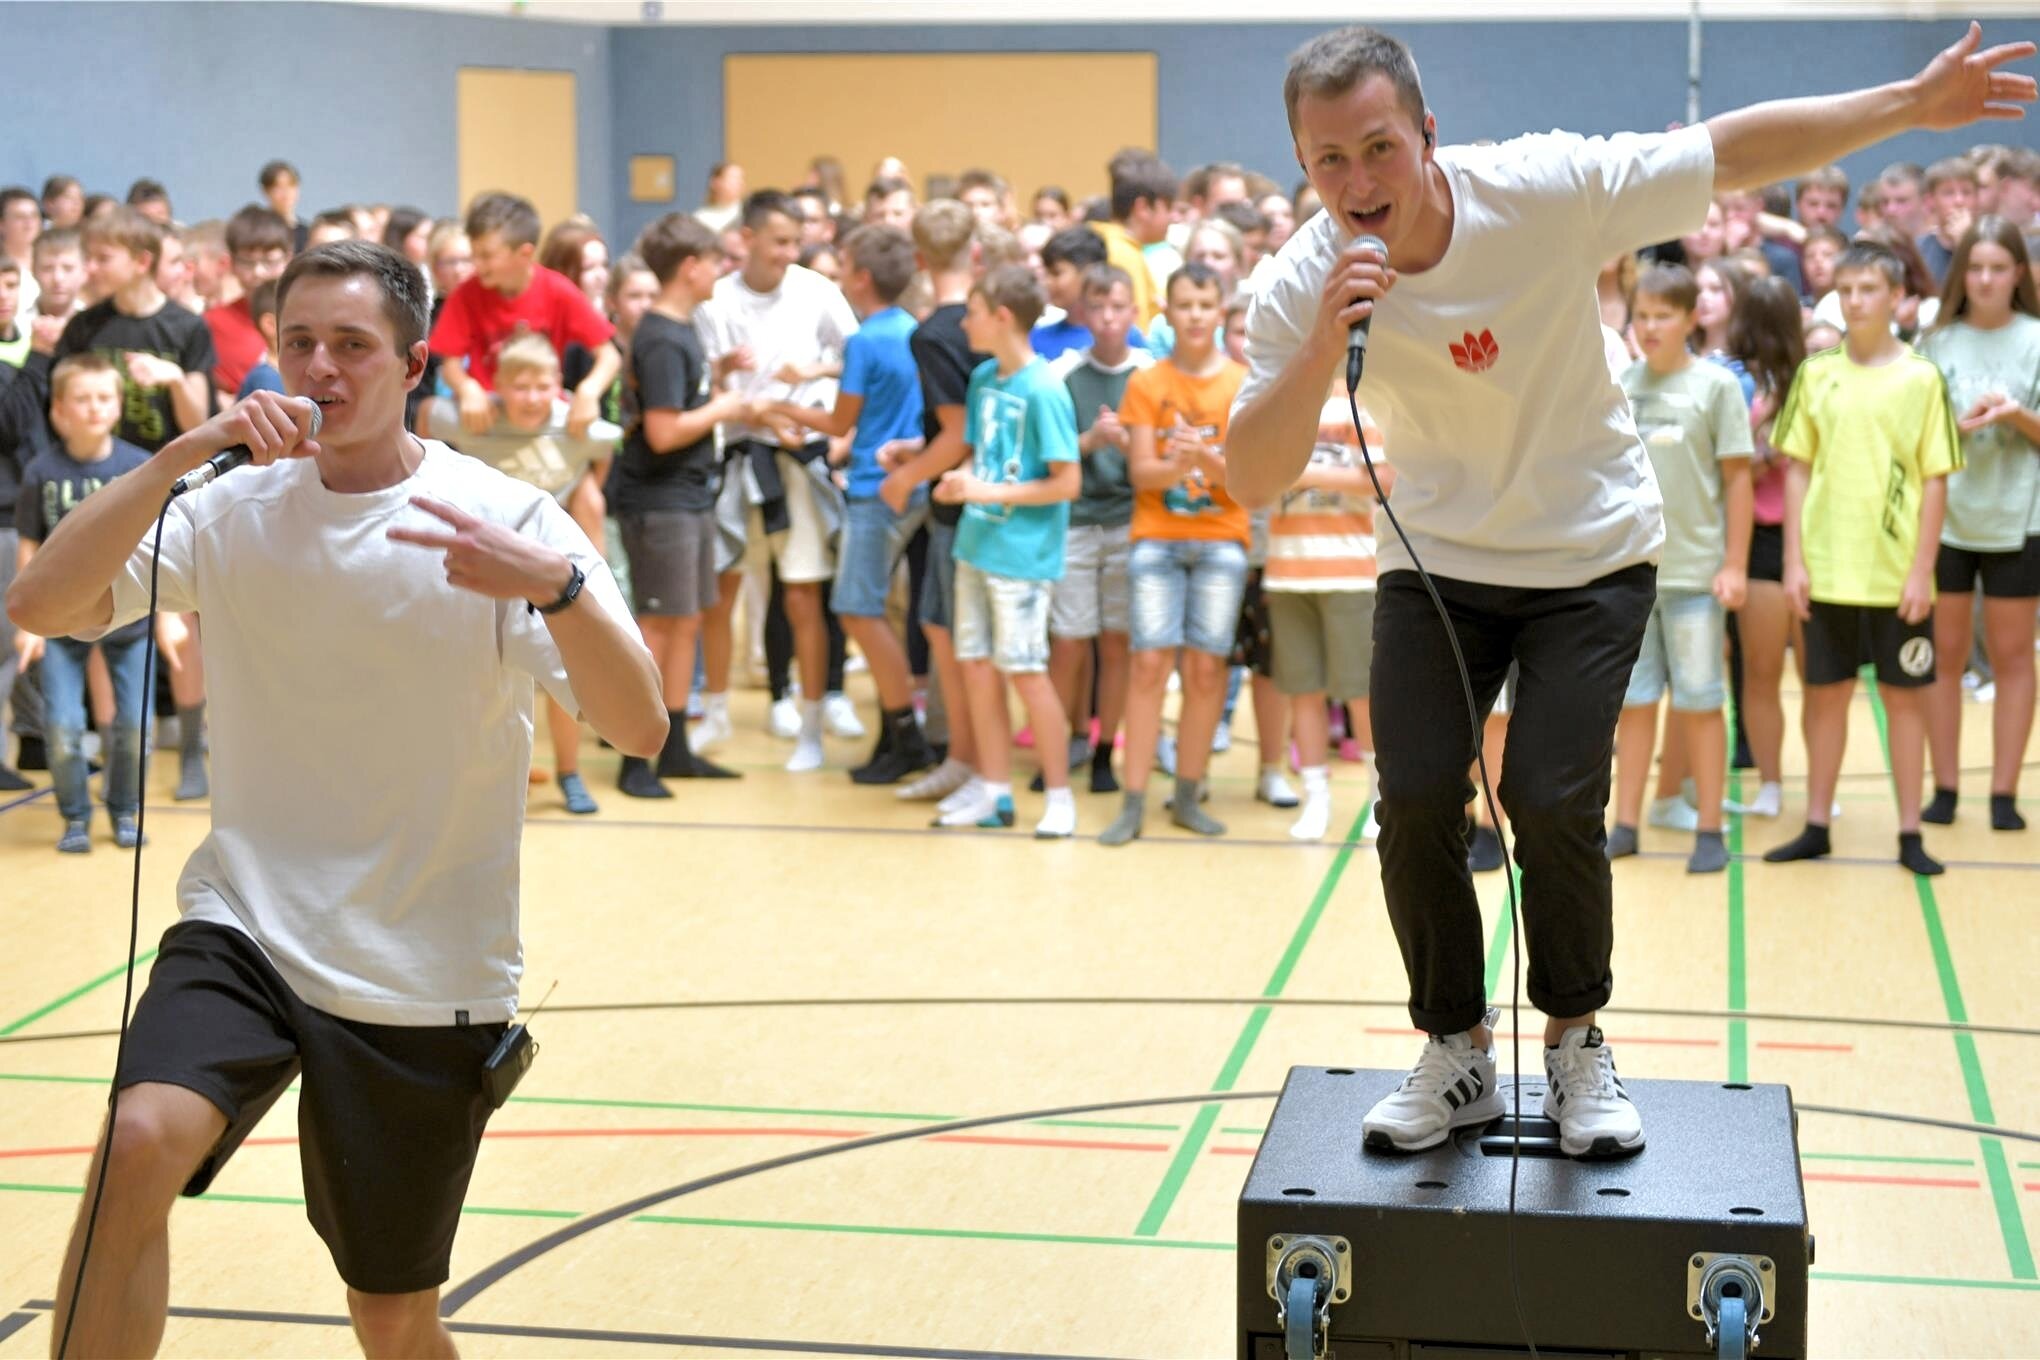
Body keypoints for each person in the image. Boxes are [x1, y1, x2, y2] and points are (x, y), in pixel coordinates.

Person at [1224, 22, 2032, 1158]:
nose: (1360, 184)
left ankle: (1574, 1041)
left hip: (1589, 552)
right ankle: (1455, 1048)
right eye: (1329, 162)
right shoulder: (1304, 279)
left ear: (1427, 136)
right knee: (1411, 797)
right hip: (1436, 560)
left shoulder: (1541, 190)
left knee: (1554, 800)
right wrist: (1317, 347)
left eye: (1380, 148)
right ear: (1303, 167)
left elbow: (1728, 153)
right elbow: (1250, 475)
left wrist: (1909, 100)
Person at [6, 239, 664, 1360]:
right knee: (138, 1138)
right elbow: (45, 599)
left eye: (352, 346)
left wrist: (555, 592)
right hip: (246, 922)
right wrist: (180, 456)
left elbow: (640, 724)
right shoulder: (231, 505)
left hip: (422, 966)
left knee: (392, 1318)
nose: (320, 369)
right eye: (297, 343)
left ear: (412, 364)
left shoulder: (504, 518)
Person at [1764, 240, 1963, 874]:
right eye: (1845, 290)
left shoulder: (1921, 378)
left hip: (1895, 576)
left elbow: (1936, 478)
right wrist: (1795, 561)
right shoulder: (1816, 373)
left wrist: (1920, 570)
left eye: (1869, 289)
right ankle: (1817, 822)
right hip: (1825, 571)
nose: (1855, 301)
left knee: (1904, 701)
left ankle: (1910, 832)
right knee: (1824, 696)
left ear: (1898, 297)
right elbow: (1795, 470)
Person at [418, 333, 624, 814]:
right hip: (487, 572)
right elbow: (425, 418)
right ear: (498, 388)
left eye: (542, 387)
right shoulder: (475, 418)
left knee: (562, 673)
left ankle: (570, 774)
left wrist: (587, 489)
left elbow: (606, 445)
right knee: (486, 674)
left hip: (550, 573)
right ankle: (477, 770)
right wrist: (466, 391)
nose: (532, 398)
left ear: (559, 386)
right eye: (520, 387)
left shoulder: (579, 424)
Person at [694, 190, 859, 773]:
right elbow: (707, 389)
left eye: (797, 242)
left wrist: (812, 374)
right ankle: (714, 710)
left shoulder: (817, 291)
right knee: (722, 590)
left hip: (799, 452)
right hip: (739, 454)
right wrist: (728, 382)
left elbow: (856, 358)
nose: (791, 252)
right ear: (747, 239)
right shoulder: (714, 299)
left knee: (803, 593)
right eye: (781, 241)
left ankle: (812, 722)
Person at [768, 223, 933, 784]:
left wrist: (782, 408)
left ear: (861, 278)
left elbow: (841, 420)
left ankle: (903, 730)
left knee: (858, 609)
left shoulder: (865, 340)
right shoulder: (912, 330)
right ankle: (899, 726)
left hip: (873, 489)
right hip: (913, 482)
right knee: (876, 607)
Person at [1606, 264, 1754, 874]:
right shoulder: (1622, 383)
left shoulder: (1717, 387)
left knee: (1699, 701)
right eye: (1641, 315)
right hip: (1633, 577)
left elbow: (1737, 479)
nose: (1650, 327)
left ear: (1692, 319)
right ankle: (1626, 823)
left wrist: (1736, 565)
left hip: (1696, 576)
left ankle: (1710, 828)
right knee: (1635, 704)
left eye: (1664, 315)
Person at [1101, 261, 1250, 847]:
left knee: (1207, 668)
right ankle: (1132, 800)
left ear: (1220, 312)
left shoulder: (1243, 382)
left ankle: (1188, 792)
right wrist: (1180, 463)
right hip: (1156, 539)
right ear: (1167, 310)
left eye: (1205, 305)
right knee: (1146, 665)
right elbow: (1141, 473)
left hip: (1221, 541)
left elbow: (1246, 479)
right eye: (1183, 305)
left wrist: (1208, 462)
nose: (1194, 315)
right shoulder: (1147, 382)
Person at [929, 265, 1081, 836]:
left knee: (1025, 672)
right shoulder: (983, 379)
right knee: (976, 669)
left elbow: (1067, 482)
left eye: (972, 312)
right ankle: (994, 793)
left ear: (1001, 317)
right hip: (976, 545)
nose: (964, 322)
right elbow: (983, 456)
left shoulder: (1045, 391)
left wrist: (988, 490)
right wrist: (961, 479)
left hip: (1022, 559)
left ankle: (1059, 795)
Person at [610, 214, 758, 793]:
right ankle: (634, 755)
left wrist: (715, 378)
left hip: (689, 496)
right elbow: (664, 432)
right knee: (659, 628)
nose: (723, 270)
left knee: (687, 618)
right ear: (691, 267)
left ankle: (674, 748)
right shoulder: (663, 336)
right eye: (716, 260)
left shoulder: (680, 331)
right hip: (661, 499)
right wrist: (727, 407)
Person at [1919, 218, 2040, 830]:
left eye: (1998, 268)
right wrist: (1954, 424)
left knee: (2015, 656)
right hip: (1947, 520)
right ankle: (1944, 788)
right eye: (1976, 268)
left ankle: (2003, 793)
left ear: (2018, 273)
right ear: (1961, 274)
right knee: (1946, 655)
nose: (1986, 279)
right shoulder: (1936, 343)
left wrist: (2016, 416)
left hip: (2020, 519)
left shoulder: (2036, 339)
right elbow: (1911, 434)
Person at [12, 353, 155, 852]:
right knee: (62, 727)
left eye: (104, 398)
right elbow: (31, 544)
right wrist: (27, 620)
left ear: (117, 406)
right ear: (60, 411)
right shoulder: (42, 471)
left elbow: (161, 545)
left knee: (133, 728)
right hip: (60, 625)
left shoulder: (139, 468)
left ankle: (123, 812)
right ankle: (74, 816)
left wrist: (174, 617)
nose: (94, 408)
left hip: (131, 620)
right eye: (82, 399)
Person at [880, 200, 989, 806]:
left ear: (920, 260)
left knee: (961, 639)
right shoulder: (983, 321)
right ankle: (961, 756)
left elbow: (960, 434)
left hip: (963, 505)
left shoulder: (935, 333)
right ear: (974, 253)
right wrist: (913, 452)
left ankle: (973, 761)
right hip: (971, 497)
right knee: (939, 626)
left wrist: (906, 478)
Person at [1265, 391, 1391, 841]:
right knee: (1303, 691)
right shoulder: (1278, 398)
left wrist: (1308, 472)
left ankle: (1379, 802)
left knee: (1362, 694)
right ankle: (1316, 797)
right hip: (1286, 572)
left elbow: (1387, 478)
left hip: (1351, 572)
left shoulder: (1360, 398)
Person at [1047, 264, 1152, 795]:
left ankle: (1106, 749)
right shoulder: (1066, 374)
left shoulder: (1150, 373)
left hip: (1131, 522)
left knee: (1117, 644)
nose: (1109, 319)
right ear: (1083, 312)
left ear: (1133, 312)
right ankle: (1065, 739)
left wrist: (1128, 443)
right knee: (1068, 642)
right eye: (1099, 308)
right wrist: (1090, 441)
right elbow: (1052, 454)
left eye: (1118, 308)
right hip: (1077, 523)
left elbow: (1161, 458)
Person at [1721, 275, 1812, 820]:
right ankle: (1773, 785)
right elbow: (1732, 467)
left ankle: (1798, 786)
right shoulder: (1731, 382)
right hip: (1756, 537)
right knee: (1762, 670)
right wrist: (1766, 444)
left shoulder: (1814, 381)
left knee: (1812, 674)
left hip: (1805, 537)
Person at [429, 192, 619, 441]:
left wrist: (589, 390)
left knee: (601, 448)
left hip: (540, 412)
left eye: (486, 256)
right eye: (474, 254)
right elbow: (450, 364)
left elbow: (609, 356)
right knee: (426, 412)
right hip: (488, 418)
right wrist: (466, 388)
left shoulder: (557, 290)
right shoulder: (466, 295)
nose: (477, 264)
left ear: (524, 254)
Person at [57, 209, 215, 457]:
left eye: (103, 258)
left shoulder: (188, 327)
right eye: (89, 257)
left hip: (167, 473)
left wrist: (176, 380)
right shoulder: (83, 325)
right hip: (101, 474)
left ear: (142, 262)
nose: (90, 268)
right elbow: (60, 413)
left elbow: (198, 425)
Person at [206, 204, 295, 397]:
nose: (258, 272)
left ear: (288, 259)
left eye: (269, 261)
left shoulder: (309, 316)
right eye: (247, 262)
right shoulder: (212, 323)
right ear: (231, 262)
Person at [1092, 152, 1177, 328]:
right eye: (1168, 207)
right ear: (1143, 207)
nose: (1174, 217)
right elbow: (1136, 328)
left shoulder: (1100, 238)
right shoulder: (1124, 255)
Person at [1919, 156, 1981, 283]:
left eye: (1967, 192)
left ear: (1977, 198)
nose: (1959, 201)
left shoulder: (1993, 245)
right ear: (1930, 200)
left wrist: (1964, 242)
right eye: (1948, 193)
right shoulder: (1919, 251)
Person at [259, 158, 310, 253]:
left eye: (291, 185)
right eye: (278, 187)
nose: (286, 193)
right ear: (265, 191)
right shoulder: (257, 230)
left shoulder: (308, 233)